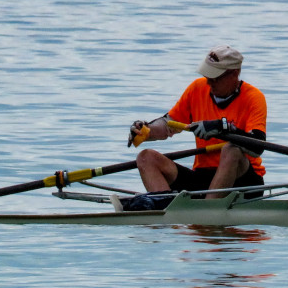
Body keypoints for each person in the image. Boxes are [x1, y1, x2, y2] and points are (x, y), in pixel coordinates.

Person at [114, 45, 267, 212]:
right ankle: (163, 207)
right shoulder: (197, 88)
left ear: (234, 74)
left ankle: (207, 211)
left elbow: (258, 145)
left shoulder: (254, 98)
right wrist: (145, 130)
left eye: (215, 78)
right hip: (203, 178)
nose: (209, 82)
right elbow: (168, 124)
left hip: (244, 182)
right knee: (146, 157)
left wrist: (222, 128)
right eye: (207, 75)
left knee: (232, 149)